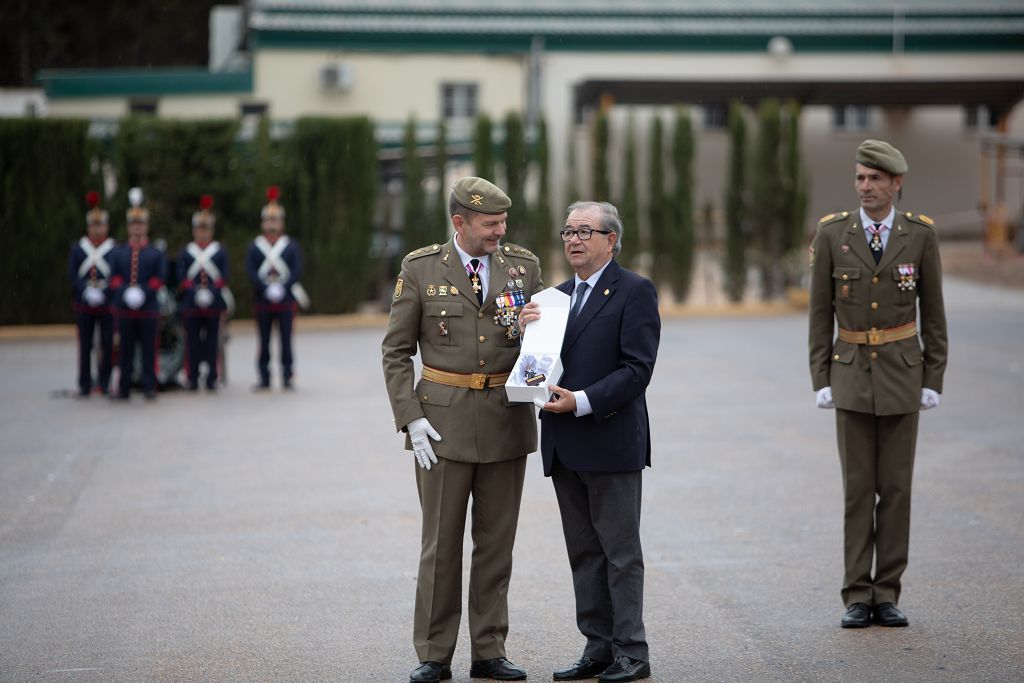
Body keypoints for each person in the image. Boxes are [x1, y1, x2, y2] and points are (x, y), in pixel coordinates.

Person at [381, 177, 542, 683]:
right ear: (460, 223)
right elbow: (395, 351)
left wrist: (536, 332)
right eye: (490, 224)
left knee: (496, 544)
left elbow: (539, 347)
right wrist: (411, 417)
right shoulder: (421, 268)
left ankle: (489, 650)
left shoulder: (524, 265)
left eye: (503, 223)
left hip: (505, 420)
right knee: (441, 545)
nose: (500, 231)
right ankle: (434, 653)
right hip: (442, 425)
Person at [808, 139, 948, 629]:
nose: (865, 187)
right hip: (848, 375)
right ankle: (855, 594)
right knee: (856, 491)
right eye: (860, 178)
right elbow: (818, 313)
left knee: (896, 490)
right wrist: (820, 376)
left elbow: (933, 314)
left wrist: (933, 377)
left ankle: (886, 591)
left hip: (902, 375)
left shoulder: (919, 235)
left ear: (896, 184)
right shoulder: (833, 234)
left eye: (875, 179)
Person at [518, 201, 660, 683]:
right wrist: (524, 338)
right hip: (564, 443)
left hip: (609, 438)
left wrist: (581, 401)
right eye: (567, 231)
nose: (573, 240)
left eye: (585, 231)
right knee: (584, 552)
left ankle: (632, 653)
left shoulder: (634, 291)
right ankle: (597, 648)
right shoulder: (552, 300)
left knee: (620, 553)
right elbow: (538, 367)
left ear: (611, 240)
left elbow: (637, 369)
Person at [110, 187, 167, 400]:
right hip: (125, 310)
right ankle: (124, 387)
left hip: (148, 309)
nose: (137, 228)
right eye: (134, 225)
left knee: (148, 351)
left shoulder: (154, 252)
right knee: (124, 351)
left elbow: (159, 278)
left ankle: (149, 387)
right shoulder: (119, 252)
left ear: (147, 226)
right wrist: (126, 291)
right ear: (128, 227)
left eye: (140, 224)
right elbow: (114, 278)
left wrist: (143, 292)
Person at [246, 186, 305, 390]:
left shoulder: (290, 245)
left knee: (286, 341)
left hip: (285, 299)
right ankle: (264, 377)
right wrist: (264, 288)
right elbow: (251, 271)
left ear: (281, 223)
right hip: (262, 300)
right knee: (263, 342)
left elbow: (297, 270)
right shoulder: (255, 246)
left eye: (275, 220)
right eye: (269, 221)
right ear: (263, 223)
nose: (272, 225)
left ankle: (287, 375)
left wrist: (282, 287)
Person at [177, 195, 230, 391]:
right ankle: (192, 377)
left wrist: (211, 293)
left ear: (211, 230)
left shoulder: (219, 251)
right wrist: (194, 292)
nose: (202, 233)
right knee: (192, 343)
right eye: (199, 229)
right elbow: (182, 277)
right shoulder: (186, 251)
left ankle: (212, 378)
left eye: (206, 229)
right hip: (191, 304)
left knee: (212, 343)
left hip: (213, 303)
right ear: (194, 231)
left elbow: (223, 277)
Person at [68, 190, 116, 396]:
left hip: (106, 302)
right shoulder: (79, 248)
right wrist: (85, 290)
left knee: (107, 344)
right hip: (84, 302)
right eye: (94, 225)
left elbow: (117, 273)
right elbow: (73, 275)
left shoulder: (113, 248)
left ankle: (104, 382)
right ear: (88, 227)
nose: (97, 229)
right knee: (85, 345)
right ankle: (84, 383)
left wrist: (104, 291)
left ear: (106, 226)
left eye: (101, 225)